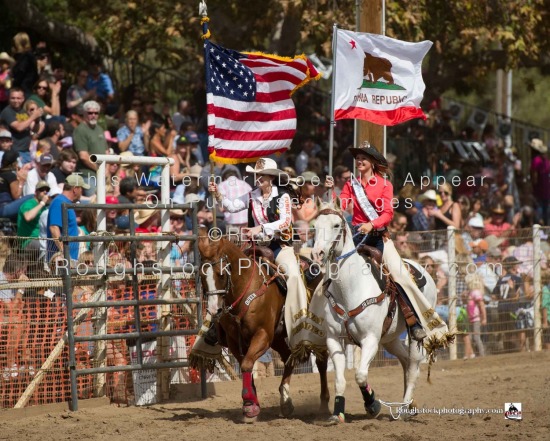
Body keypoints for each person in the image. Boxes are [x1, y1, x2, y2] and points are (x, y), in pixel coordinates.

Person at [327, 142, 449, 342]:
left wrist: (372, 224)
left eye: (363, 158)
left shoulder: (384, 185)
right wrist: (332, 191)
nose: (359, 161)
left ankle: (414, 321)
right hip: (356, 237)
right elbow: (341, 206)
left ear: (373, 162)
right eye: (357, 158)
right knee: (332, 272)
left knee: (400, 276)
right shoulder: (351, 185)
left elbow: (387, 214)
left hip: (378, 239)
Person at [208, 157, 311, 351]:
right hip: (256, 247)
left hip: (279, 246)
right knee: (226, 275)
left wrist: (259, 228)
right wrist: (218, 195)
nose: (258, 178)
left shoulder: (283, 197)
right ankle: (216, 327)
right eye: (256, 175)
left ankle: (298, 323)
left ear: (271, 177)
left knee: (294, 275)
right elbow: (231, 206)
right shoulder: (251, 195)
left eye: (262, 175)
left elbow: (285, 222)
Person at [47, 174, 90, 263]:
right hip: (61, 261)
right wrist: (65, 253)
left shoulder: (65, 202)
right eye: (81, 188)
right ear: (75, 189)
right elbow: (54, 228)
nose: (81, 192)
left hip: (68, 259)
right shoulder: (59, 202)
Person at [0, 88, 44, 164]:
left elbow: (34, 131)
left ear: (23, 99)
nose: (16, 100)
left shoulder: (24, 111)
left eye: (18, 98)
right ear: (9, 99)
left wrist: (37, 121)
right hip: (15, 151)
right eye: (13, 98)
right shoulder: (7, 111)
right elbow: (19, 127)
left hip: (26, 151)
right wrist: (33, 116)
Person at [73, 100, 108, 195]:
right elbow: (83, 156)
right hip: (87, 175)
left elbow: (106, 151)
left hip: (102, 174)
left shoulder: (100, 129)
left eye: (96, 113)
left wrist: (106, 169)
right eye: (90, 113)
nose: (93, 115)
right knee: (94, 204)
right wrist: (99, 169)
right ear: (84, 114)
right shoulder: (80, 130)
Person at [17, 180, 50, 252]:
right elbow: (28, 217)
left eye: (47, 190)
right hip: (28, 241)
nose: (45, 192)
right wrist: (42, 203)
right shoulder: (29, 204)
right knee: (48, 248)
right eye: (42, 190)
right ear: (36, 192)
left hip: (42, 239)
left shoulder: (44, 207)